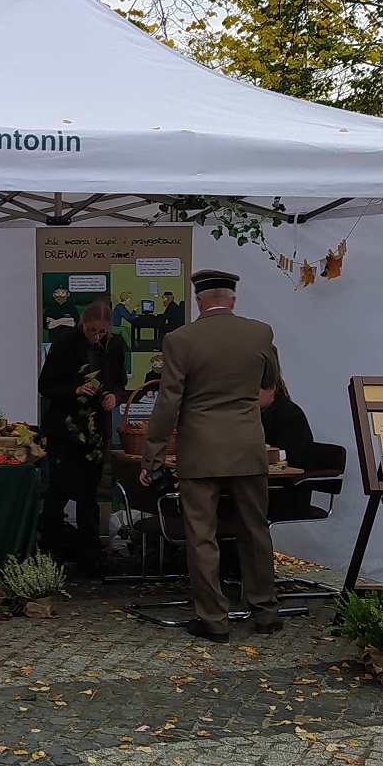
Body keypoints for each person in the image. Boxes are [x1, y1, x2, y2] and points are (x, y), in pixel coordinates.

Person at [139, 268, 282, 641]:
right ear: (233, 299)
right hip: (248, 447)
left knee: (203, 535)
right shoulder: (261, 332)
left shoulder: (180, 339)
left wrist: (151, 456)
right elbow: (269, 383)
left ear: (199, 301)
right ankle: (265, 611)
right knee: (256, 529)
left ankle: (214, 620)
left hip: (200, 450)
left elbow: (168, 401)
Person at [36, 298, 128, 572]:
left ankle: (91, 555)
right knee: (59, 489)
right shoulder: (64, 343)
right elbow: (46, 385)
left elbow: (120, 383)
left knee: (89, 493)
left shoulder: (115, 345)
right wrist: (75, 390)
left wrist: (115, 397)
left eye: (102, 332)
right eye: (91, 331)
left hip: (96, 427)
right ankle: (51, 553)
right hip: (65, 428)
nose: (96, 337)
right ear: (82, 324)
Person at [259, 377, 315, 524]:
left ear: (271, 389)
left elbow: (288, 457)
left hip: (283, 493)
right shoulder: (254, 413)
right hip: (261, 488)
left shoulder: (291, 414)